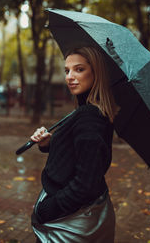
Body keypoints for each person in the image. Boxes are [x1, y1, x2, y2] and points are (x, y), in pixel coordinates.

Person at [30, 46, 119, 243]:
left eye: (79, 69)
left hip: (70, 222)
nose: (70, 76)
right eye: (67, 70)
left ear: (96, 73)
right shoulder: (86, 110)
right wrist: (49, 143)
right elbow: (80, 155)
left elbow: (85, 183)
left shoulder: (89, 117)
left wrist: (49, 209)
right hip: (76, 215)